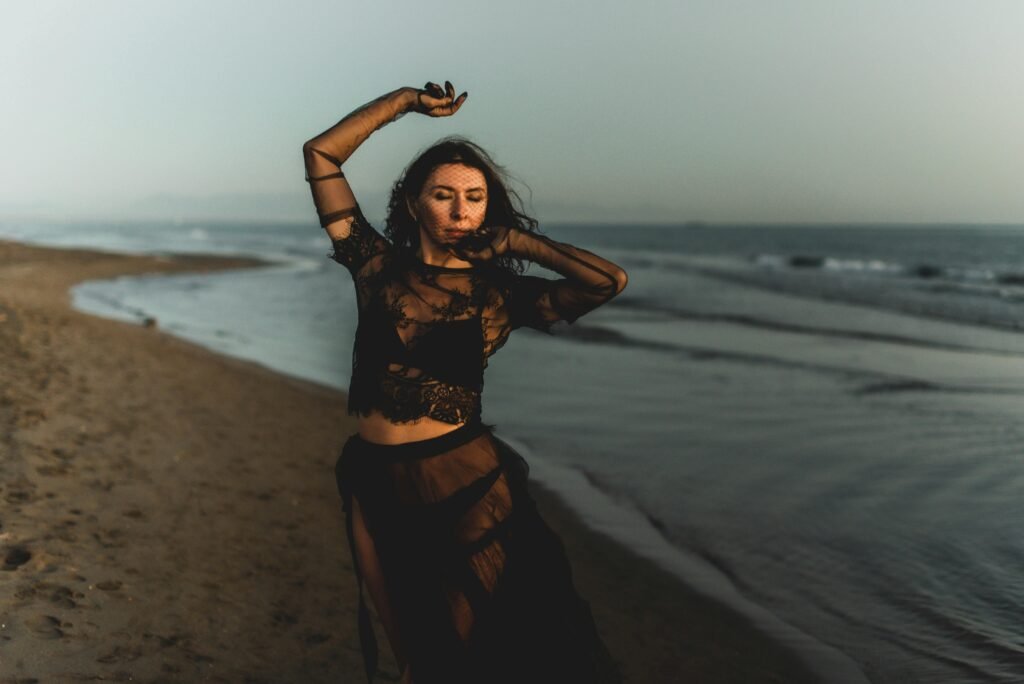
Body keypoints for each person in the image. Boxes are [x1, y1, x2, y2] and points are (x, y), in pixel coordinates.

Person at [303, 80, 628, 684]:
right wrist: (402, 102)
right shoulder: (374, 268)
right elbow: (320, 156)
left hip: (465, 482)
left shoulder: (499, 295)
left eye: (474, 198)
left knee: (459, 654)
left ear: (488, 207)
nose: (460, 211)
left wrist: (517, 242)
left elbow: (607, 281)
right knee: (409, 658)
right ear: (413, 205)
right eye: (444, 195)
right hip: (371, 481)